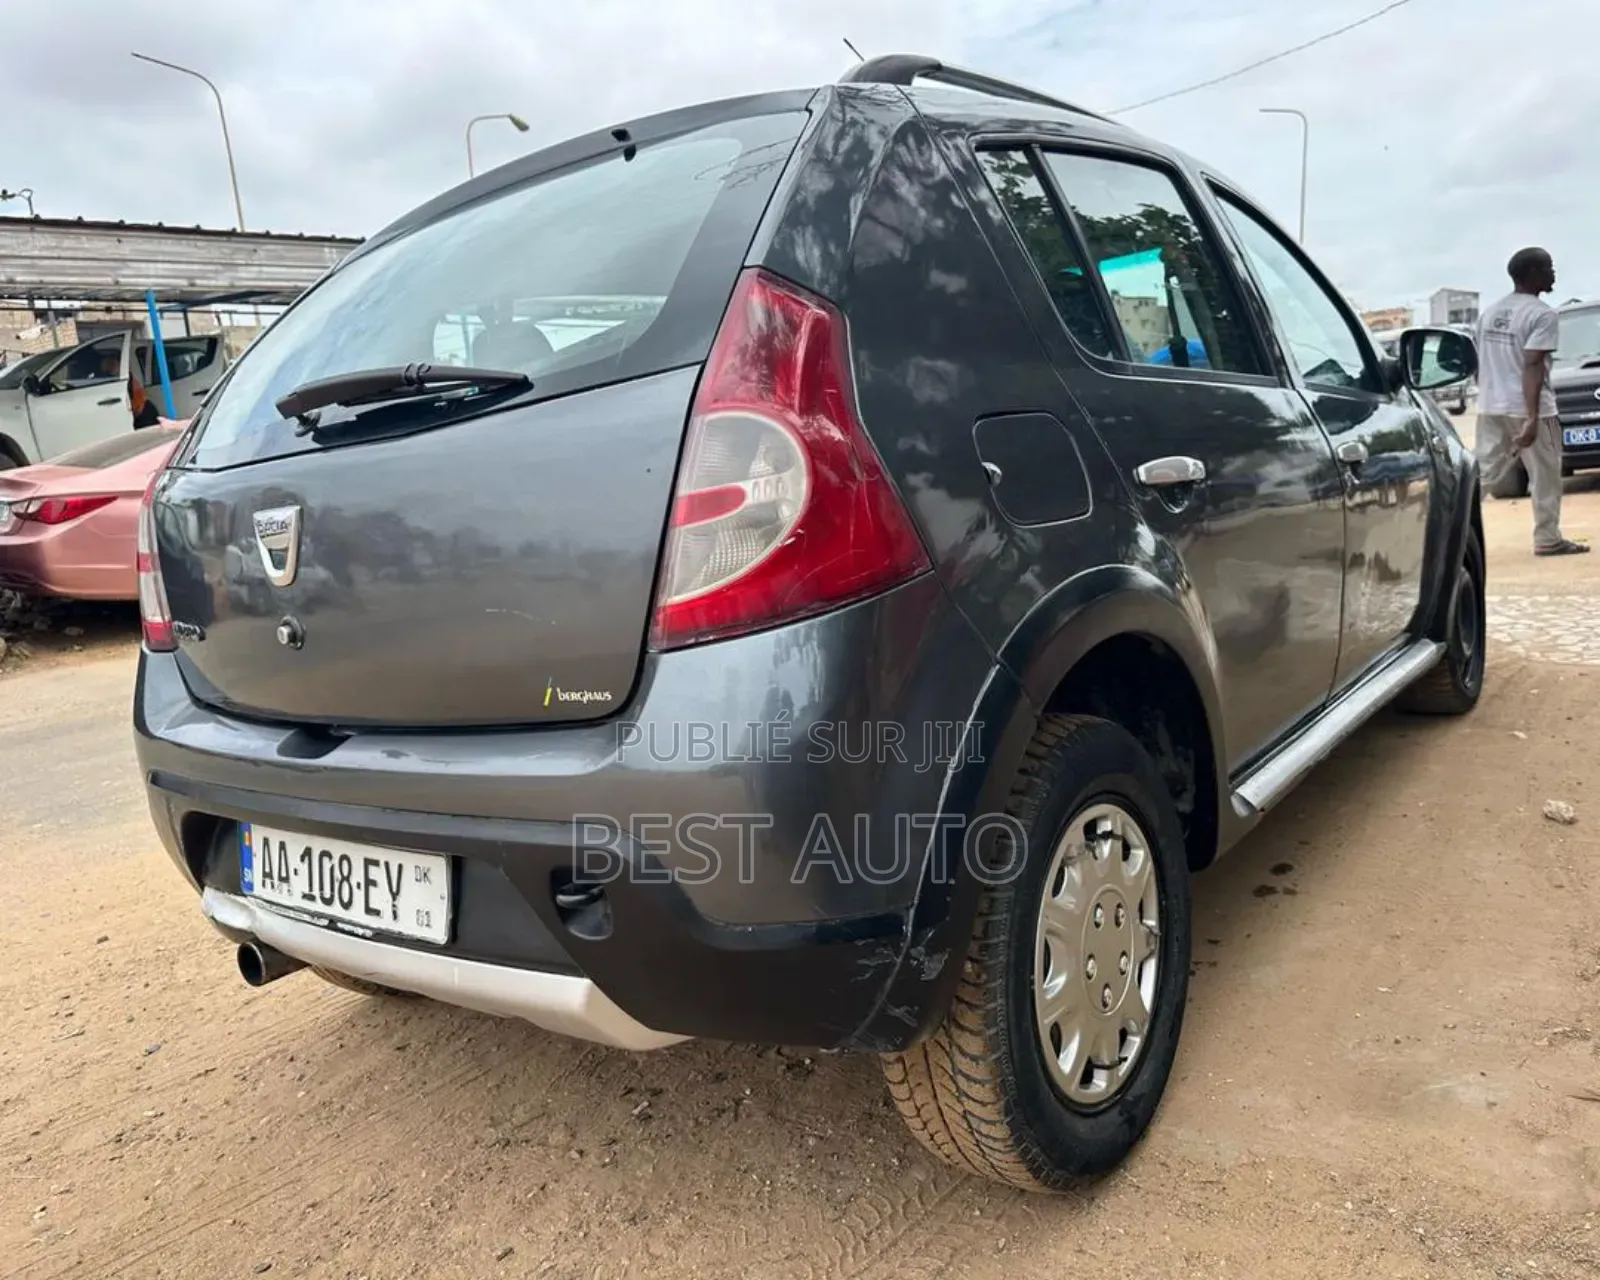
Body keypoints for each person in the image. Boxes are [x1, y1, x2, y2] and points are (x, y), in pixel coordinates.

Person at [1475, 247, 1588, 556]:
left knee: (1483, 474)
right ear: (1533, 273)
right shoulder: (1542, 314)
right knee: (1545, 475)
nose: (1553, 273)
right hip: (1529, 408)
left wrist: (1487, 394)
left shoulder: (1490, 313)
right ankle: (1548, 539)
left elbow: (1478, 361)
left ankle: (1446, 534)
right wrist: (1532, 417)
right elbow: (1533, 364)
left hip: (1490, 406)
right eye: (1549, 267)